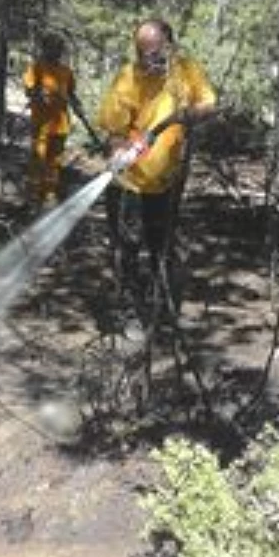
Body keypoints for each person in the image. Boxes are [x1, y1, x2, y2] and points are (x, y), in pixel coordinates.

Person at [96, 18, 217, 326]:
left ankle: (164, 313)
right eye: (142, 51)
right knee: (126, 249)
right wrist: (117, 153)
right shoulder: (128, 76)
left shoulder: (186, 70)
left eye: (153, 50)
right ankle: (129, 315)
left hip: (167, 183)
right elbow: (113, 128)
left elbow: (208, 104)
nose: (147, 57)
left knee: (161, 247)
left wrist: (184, 115)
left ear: (169, 44)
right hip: (129, 183)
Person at [23, 33, 87, 208]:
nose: (56, 51)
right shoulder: (36, 68)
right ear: (45, 49)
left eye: (59, 48)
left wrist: (78, 108)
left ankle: (49, 193)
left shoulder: (66, 71)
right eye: (52, 47)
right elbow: (29, 90)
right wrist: (39, 94)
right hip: (40, 124)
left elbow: (72, 94)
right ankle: (34, 195)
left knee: (55, 160)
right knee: (38, 159)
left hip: (60, 125)